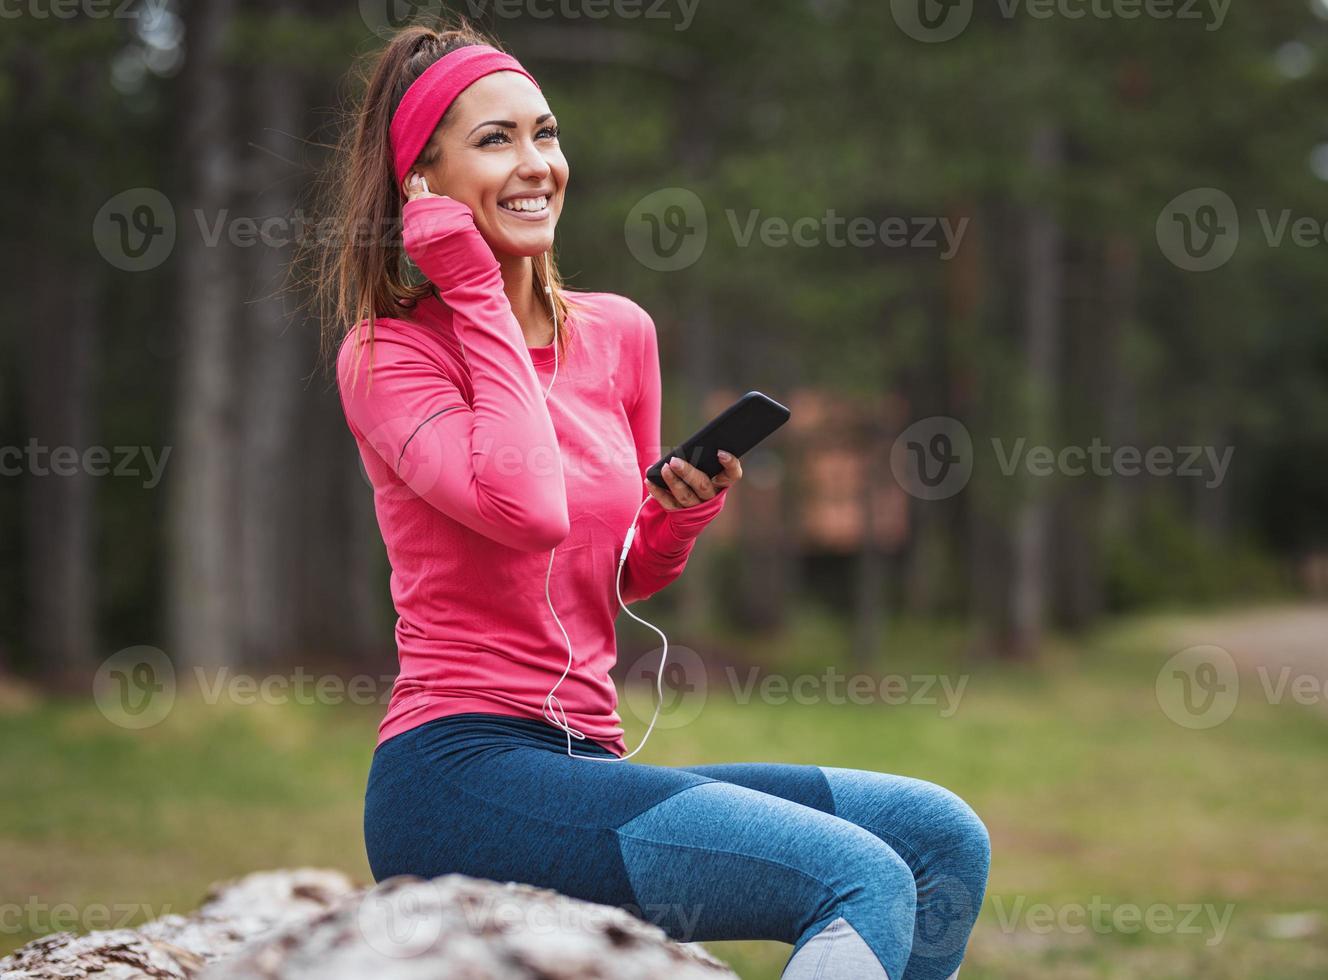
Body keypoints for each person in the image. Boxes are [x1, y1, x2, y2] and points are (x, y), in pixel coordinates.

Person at [313, 22, 990, 980]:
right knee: (857, 876)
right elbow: (526, 510)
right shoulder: (389, 354)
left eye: (545, 134)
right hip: (458, 775)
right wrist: (473, 287)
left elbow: (626, 568)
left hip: (586, 761)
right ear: (420, 184)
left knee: (937, 836)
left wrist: (678, 512)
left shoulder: (619, 335)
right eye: (495, 140)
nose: (536, 164)